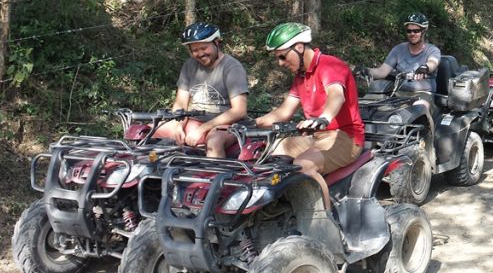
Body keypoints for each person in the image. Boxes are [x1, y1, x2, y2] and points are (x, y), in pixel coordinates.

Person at [257, 22, 365, 208]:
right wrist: (253, 123)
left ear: (299, 47)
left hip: (346, 137)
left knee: (304, 164)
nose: (280, 63)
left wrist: (324, 118)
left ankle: (323, 218)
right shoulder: (300, 76)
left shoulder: (329, 65)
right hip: (316, 137)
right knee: (268, 152)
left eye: (282, 56)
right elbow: (284, 111)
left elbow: (336, 95)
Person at [153, 22, 249, 158]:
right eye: (195, 50)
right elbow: (180, 104)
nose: (200, 53)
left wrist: (202, 129)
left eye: (204, 48)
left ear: (216, 42)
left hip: (226, 124)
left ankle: (213, 170)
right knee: (152, 130)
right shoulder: (189, 65)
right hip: (195, 120)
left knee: (214, 142)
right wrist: (177, 125)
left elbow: (239, 111)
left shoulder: (232, 68)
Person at [365, 13, 442, 95]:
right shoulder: (398, 50)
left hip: (423, 94)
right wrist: (365, 71)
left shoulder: (432, 50)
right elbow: (382, 72)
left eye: (416, 31)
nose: (412, 34)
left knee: (420, 103)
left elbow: (433, 63)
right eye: (409, 31)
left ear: (423, 31)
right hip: (399, 93)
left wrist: (424, 68)